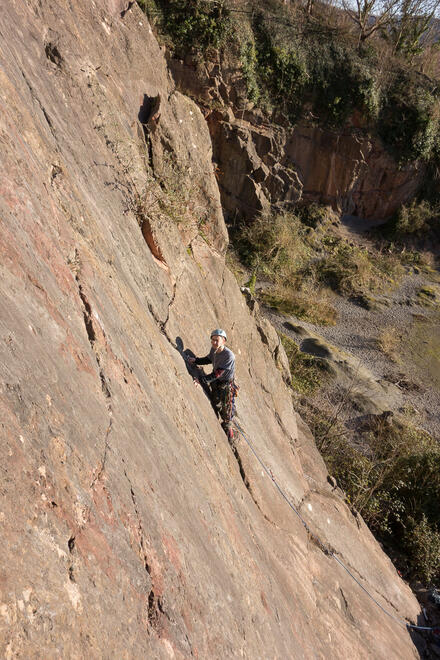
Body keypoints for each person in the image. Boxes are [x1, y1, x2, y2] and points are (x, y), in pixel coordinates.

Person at [188, 329, 236, 439]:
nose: (214, 342)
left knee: (227, 406)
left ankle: (229, 429)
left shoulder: (229, 356)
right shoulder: (214, 350)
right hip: (217, 381)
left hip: (225, 384)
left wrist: (201, 380)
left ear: (223, 341)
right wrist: (195, 361)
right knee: (215, 402)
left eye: (217, 340)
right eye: (212, 340)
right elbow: (208, 359)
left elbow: (218, 373)